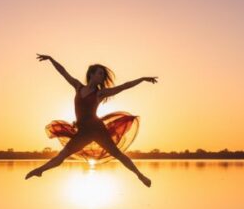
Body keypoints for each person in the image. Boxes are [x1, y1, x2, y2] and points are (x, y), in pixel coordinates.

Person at [25, 54, 157, 187]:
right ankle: (40, 170)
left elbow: (124, 86)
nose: (102, 76)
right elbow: (63, 72)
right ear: (91, 74)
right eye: (100, 73)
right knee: (62, 156)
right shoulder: (78, 86)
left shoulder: (100, 93)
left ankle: (140, 176)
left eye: (103, 75)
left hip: (97, 129)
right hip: (83, 132)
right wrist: (51, 59)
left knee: (118, 154)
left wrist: (143, 79)